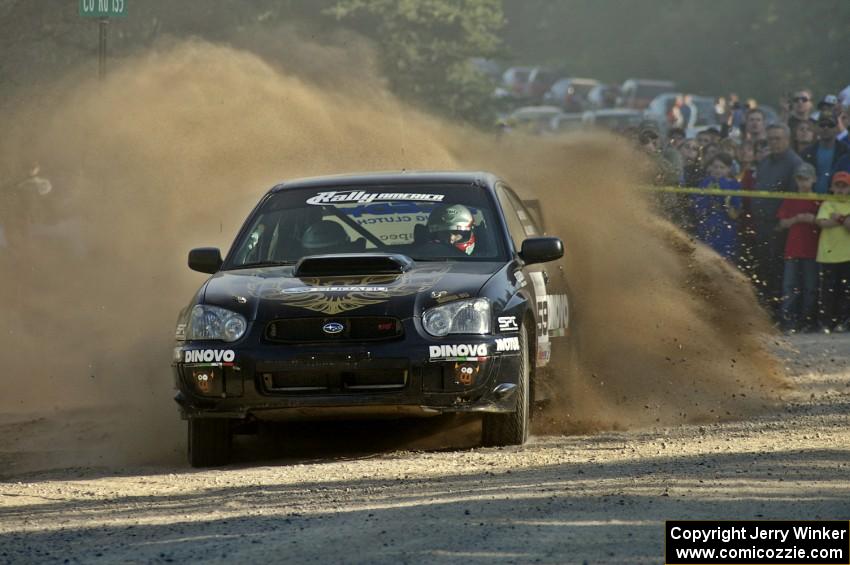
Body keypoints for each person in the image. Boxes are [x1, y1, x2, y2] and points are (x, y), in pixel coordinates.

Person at [751, 123, 804, 313]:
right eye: (770, 139)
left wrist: (781, 224)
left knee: (778, 273)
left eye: (777, 138)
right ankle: (765, 311)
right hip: (761, 225)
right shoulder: (765, 161)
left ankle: (778, 313)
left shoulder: (794, 163)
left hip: (779, 227)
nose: (773, 143)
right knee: (763, 270)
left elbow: (793, 198)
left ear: (787, 140)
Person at [776, 163, 821, 333]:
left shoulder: (819, 198)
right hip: (793, 249)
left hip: (811, 250)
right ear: (796, 180)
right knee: (790, 286)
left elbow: (824, 222)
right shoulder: (790, 198)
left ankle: (807, 320)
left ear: (814, 179)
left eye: (806, 179)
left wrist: (813, 219)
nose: (803, 183)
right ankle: (788, 320)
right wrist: (798, 219)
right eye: (800, 179)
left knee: (810, 287)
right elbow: (782, 223)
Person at [815, 171, 850, 332]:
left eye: (844, 186)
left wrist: (838, 218)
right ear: (832, 187)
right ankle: (826, 323)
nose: (841, 189)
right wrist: (843, 220)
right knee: (827, 292)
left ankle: (843, 322)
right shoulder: (828, 202)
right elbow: (822, 223)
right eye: (838, 185)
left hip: (847, 255)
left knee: (845, 292)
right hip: (828, 255)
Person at [692, 153, 741, 261]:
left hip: (725, 228)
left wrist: (725, 193)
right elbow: (697, 206)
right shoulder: (705, 182)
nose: (718, 170)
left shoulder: (734, 185)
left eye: (722, 167)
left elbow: (735, 213)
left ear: (728, 169)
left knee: (724, 259)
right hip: (706, 226)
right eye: (715, 167)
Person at [799, 106, 850, 194]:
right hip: (811, 199)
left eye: (830, 125)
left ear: (836, 128)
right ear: (817, 128)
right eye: (822, 125)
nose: (826, 128)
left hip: (836, 200)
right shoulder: (806, 152)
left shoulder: (846, 150)